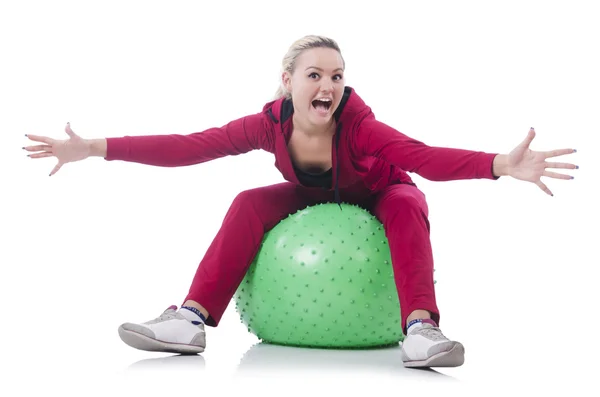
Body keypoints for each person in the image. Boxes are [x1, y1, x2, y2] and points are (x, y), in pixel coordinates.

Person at [23, 35, 577, 368]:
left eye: (336, 76)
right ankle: (189, 320)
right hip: (313, 196)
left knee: (408, 203)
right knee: (248, 200)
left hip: (383, 192)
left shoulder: (359, 125)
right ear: (287, 82)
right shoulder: (269, 124)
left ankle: (420, 329)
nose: (328, 86)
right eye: (315, 75)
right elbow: (190, 146)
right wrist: (93, 148)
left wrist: (500, 165)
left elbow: (420, 154)